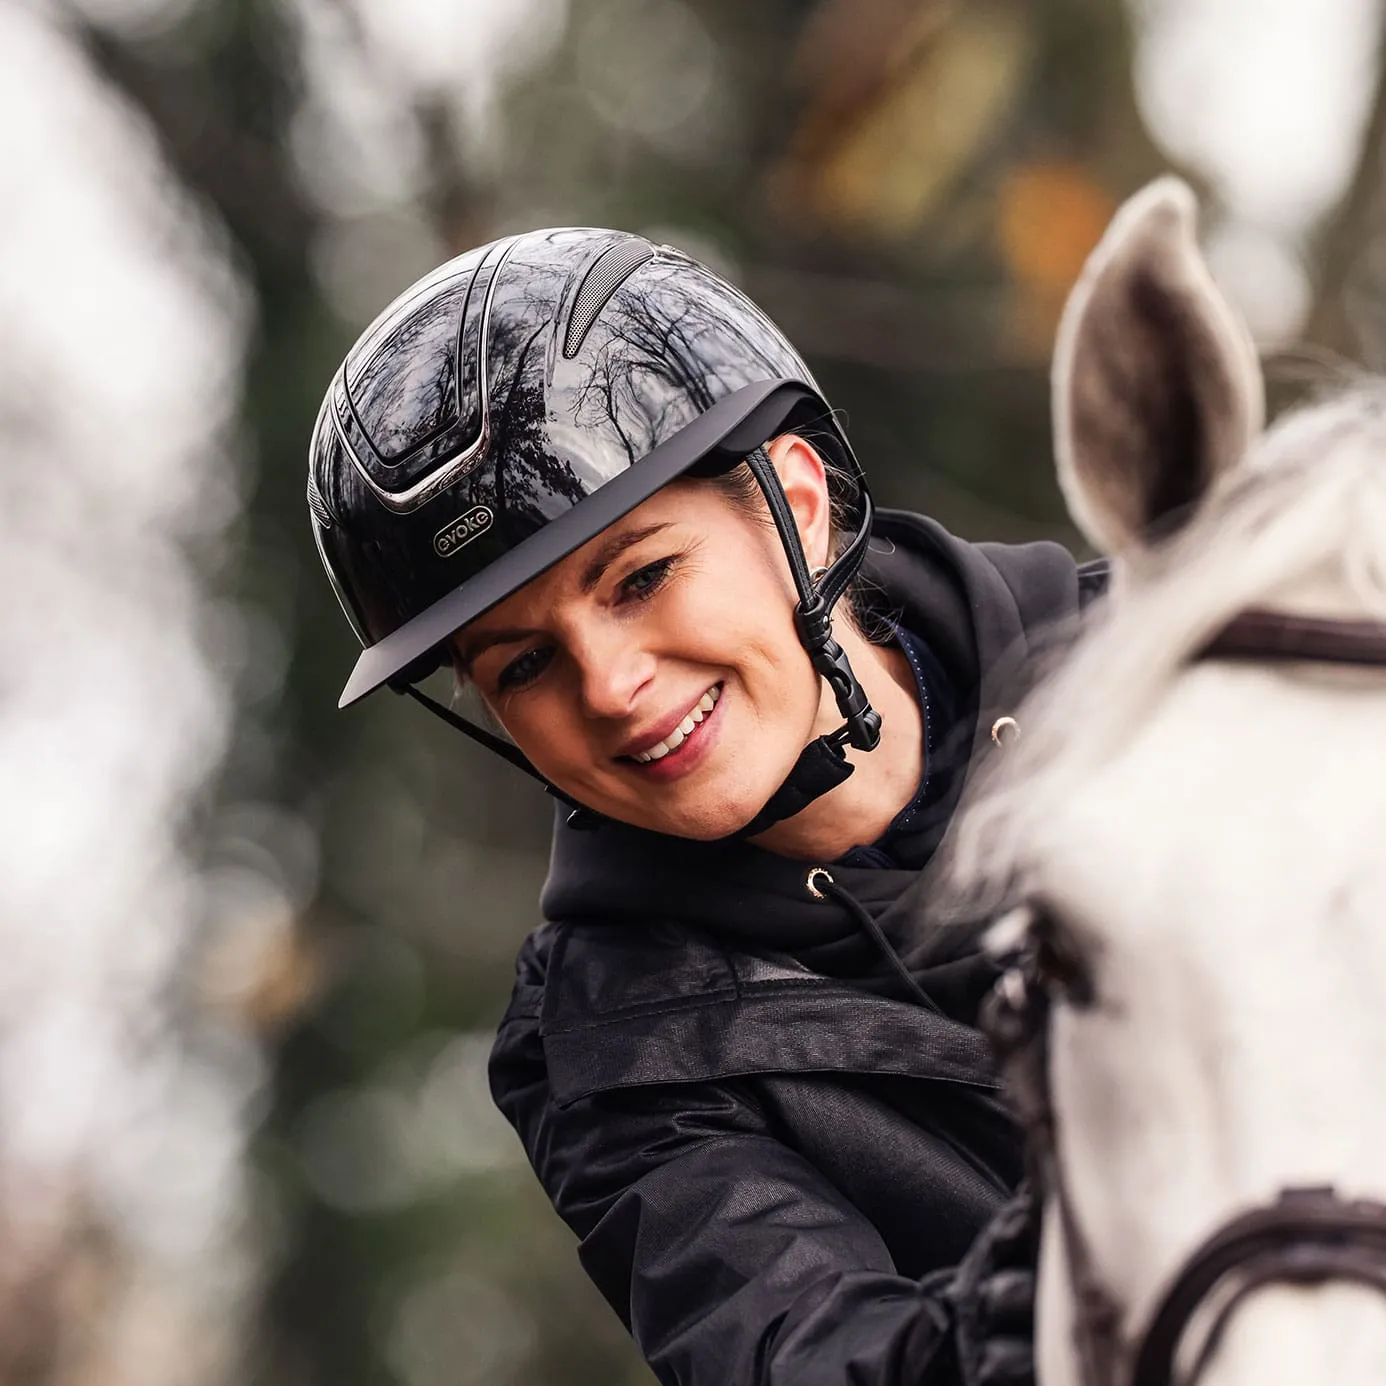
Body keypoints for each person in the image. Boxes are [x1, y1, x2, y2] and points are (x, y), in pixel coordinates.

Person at [308, 228, 1105, 1386]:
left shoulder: (1195, 673)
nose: (612, 689)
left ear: (797, 502)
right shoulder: (603, 1048)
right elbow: (811, 1363)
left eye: (639, 578)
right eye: (523, 666)